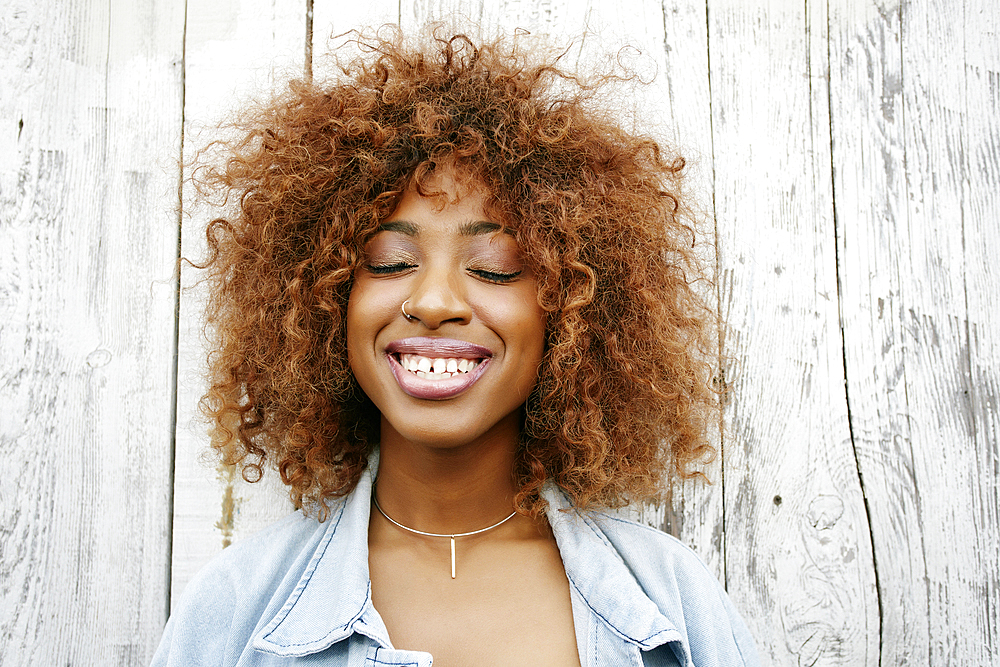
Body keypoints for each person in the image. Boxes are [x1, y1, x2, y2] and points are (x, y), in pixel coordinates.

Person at [152, 26, 759, 667]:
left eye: (494, 266)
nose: (436, 302)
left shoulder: (672, 606)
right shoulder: (234, 613)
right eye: (388, 262)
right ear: (323, 300)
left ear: (573, 304)